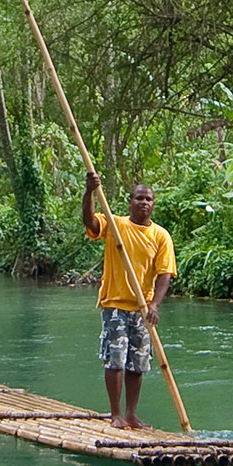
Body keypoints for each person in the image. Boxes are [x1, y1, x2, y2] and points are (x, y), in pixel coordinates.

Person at [82, 172, 177, 429]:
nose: (144, 203)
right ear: (130, 201)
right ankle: (115, 414)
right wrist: (90, 191)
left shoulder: (161, 236)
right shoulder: (116, 225)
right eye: (139, 198)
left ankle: (131, 414)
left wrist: (155, 304)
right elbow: (90, 222)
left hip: (142, 308)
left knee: (137, 362)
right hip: (115, 304)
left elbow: (165, 274)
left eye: (148, 199)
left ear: (153, 204)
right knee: (115, 358)